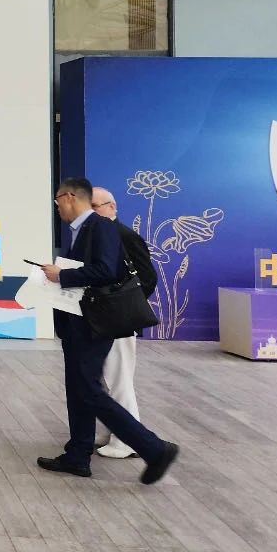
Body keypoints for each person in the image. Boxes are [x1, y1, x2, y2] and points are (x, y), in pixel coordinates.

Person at [38, 177, 179, 483]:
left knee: (88, 390)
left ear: (70, 197)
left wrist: (62, 275)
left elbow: (105, 271)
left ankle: (154, 448)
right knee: (78, 389)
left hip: (96, 323)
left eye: (58, 200)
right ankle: (78, 455)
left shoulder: (100, 227)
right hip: (79, 322)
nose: (57, 207)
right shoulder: (81, 230)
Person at [90, 186, 159, 458]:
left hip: (118, 318)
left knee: (118, 378)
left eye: (95, 207)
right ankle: (115, 432)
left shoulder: (124, 235)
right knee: (104, 379)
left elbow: (147, 278)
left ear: (111, 207)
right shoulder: (100, 236)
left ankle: (127, 440)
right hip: (103, 318)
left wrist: (122, 305)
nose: (90, 212)